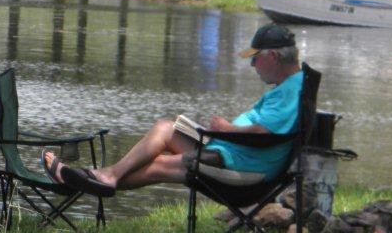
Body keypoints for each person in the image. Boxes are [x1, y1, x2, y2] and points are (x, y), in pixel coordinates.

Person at [43, 24, 304, 197]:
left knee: (159, 154)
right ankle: (94, 178)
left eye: (255, 58)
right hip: (234, 152)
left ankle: (89, 180)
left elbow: (263, 133)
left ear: (273, 56)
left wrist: (227, 129)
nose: (253, 65)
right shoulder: (290, 86)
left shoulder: (291, 89)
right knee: (164, 129)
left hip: (240, 162)